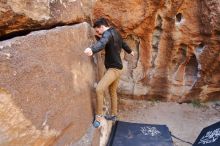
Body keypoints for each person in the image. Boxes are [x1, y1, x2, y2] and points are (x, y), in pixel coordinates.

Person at [84, 18, 134, 128]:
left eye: (97, 31)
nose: (98, 33)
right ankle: (114, 115)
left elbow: (102, 43)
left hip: (114, 69)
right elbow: (123, 43)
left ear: (102, 27)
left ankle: (98, 117)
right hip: (119, 68)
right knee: (112, 91)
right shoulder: (115, 32)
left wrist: (92, 49)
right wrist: (130, 51)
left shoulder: (107, 34)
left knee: (99, 89)